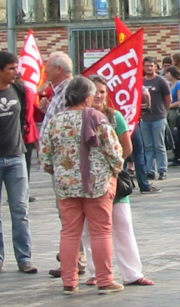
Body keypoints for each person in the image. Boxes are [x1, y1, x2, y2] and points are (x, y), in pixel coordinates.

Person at [40, 76, 124, 294]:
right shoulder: (97, 117)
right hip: (96, 183)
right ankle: (105, 280)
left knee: (69, 232)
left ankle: (69, 281)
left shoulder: (55, 121)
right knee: (101, 231)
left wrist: (58, 171)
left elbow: (45, 156)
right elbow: (114, 151)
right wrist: (116, 170)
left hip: (66, 185)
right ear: (87, 97)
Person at [81, 76, 154, 287]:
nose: (99, 95)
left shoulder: (115, 117)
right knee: (90, 230)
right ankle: (97, 272)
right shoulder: (80, 117)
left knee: (123, 225)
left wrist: (115, 165)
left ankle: (132, 273)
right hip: (88, 182)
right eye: (95, 91)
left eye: (102, 91)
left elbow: (127, 146)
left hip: (114, 180)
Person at [0, 51, 37, 274]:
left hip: (16, 156)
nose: (16, 72)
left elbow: (25, 117)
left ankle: (24, 258)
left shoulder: (19, 90)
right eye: (11, 68)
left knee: (20, 209)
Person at [139, 57, 172, 181]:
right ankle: (150, 170)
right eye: (147, 65)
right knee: (148, 146)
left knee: (159, 145)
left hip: (158, 117)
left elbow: (168, 99)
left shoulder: (160, 81)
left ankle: (162, 169)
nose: (149, 68)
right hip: (144, 118)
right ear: (143, 67)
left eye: (151, 66)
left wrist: (164, 111)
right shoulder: (140, 81)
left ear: (155, 67)